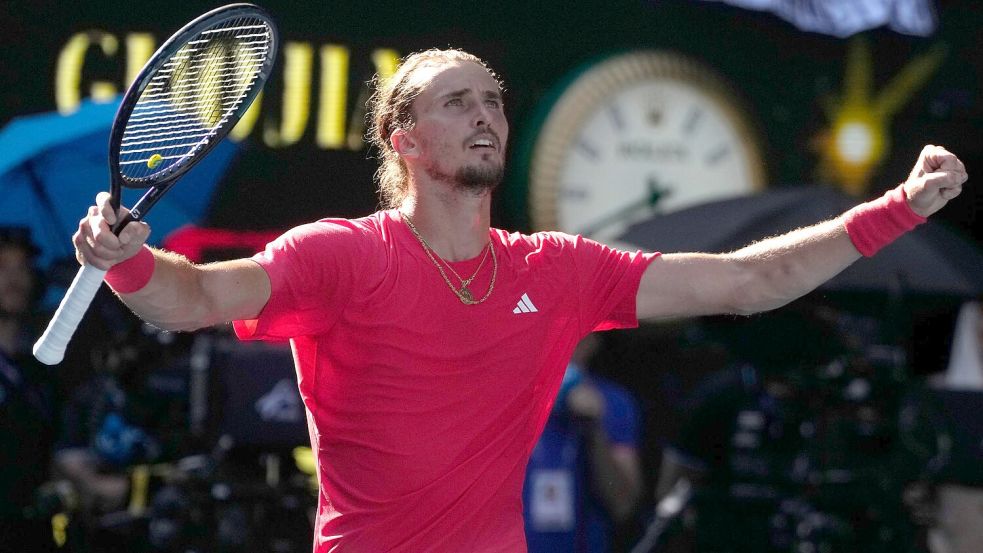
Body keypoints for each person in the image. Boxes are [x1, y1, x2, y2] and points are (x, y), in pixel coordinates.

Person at [70, 48, 968, 552]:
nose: (485, 114)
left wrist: (892, 212)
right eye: (457, 102)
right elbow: (191, 299)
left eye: (492, 99)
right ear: (404, 137)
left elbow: (748, 280)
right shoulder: (338, 256)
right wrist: (127, 266)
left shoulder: (557, 270)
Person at [523, 333, 643, 552]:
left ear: (593, 342)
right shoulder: (502, 403)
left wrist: (595, 429)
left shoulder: (613, 402)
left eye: (573, 335)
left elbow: (623, 504)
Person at [0, 226, 57, 553]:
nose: (14, 279)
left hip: (33, 531)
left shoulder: (40, 370)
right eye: (2, 268)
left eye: (22, 268)